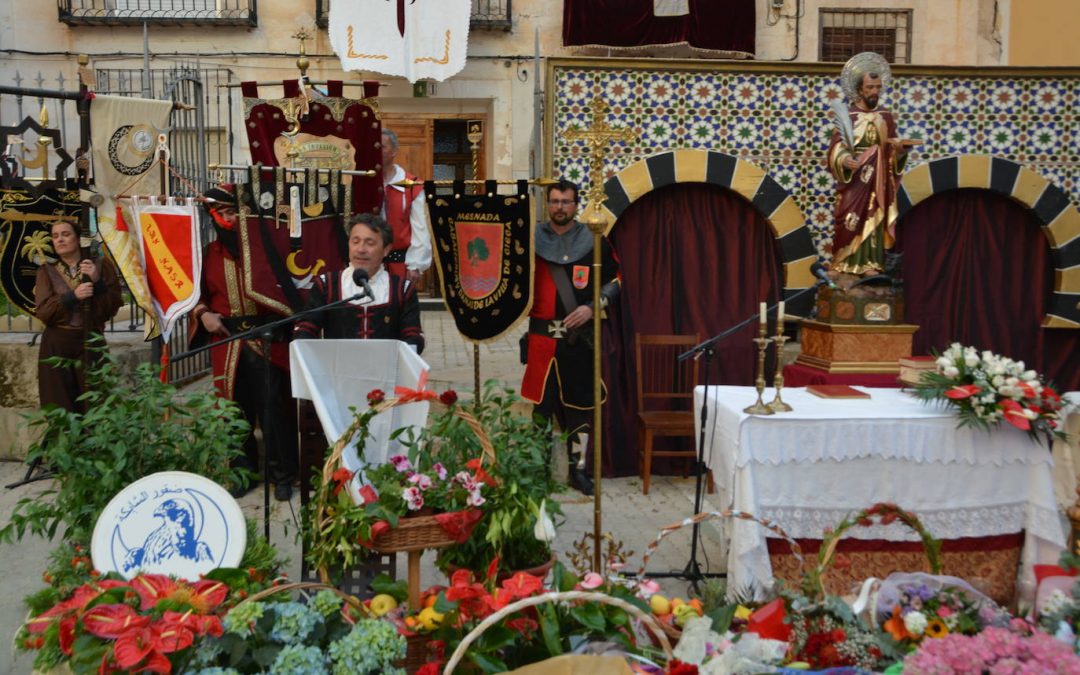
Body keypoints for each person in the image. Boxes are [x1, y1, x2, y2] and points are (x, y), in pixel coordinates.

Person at [189, 185, 298, 501]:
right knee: (234, 412)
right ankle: (241, 473)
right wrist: (203, 313)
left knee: (274, 410)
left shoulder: (267, 250)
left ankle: (282, 476)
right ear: (214, 217)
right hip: (228, 343)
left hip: (268, 340)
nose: (232, 219)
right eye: (224, 213)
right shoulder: (208, 254)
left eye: (237, 212)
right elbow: (195, 296)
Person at [520, 179, 621, 496]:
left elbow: (617, 279)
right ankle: (538, 471)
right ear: (546, 203)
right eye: (554, 201)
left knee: (580, 407)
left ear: (576, 205)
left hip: (580, 340)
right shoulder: (531, 238)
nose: (559, 207)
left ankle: (578, 470)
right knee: (541, 408)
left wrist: (594, 307)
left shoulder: (594, 239)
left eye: (565, 202)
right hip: (541, 339)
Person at [828, 52, 919, 276]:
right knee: (849, 220)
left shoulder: (885, 117)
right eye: (870, 87)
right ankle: (843, 261)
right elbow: (834, 150)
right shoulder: (848, 116)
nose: (875, 92)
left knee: (875, 220)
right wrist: (844, 159)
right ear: (859, 89)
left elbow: (892, 151)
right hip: (855, 180)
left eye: (878, 87)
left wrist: (898, 153)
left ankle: (870, 263)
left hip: (878, 181)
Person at [292, 213, 425, 352]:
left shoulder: (402, 289)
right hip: (338, 371)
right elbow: (306, 327)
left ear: (386, 249)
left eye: (370, 243)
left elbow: (413, 335)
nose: (361, 249)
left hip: (386, 371)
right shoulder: (327, 285)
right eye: (355, 242)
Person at [34, 219, 122, 413]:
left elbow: (113, 305)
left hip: (90, 340)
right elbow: (44, 312)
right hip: (57, 343)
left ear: (78, 239)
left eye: (66, 234)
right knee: (60, 404)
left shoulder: (99, 265)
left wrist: (97, 281)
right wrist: (72, 296)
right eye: (55, 236)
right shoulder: (46, 272)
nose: (60, 240)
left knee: (97, 401)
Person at [380, 128, 432, 284]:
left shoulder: (412, 185)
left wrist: (415, 264)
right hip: (370, 265)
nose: (377, 151)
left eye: (382, 147)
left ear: (394, 151)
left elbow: (420, 227)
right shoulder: (364, 183)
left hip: (400, 265)